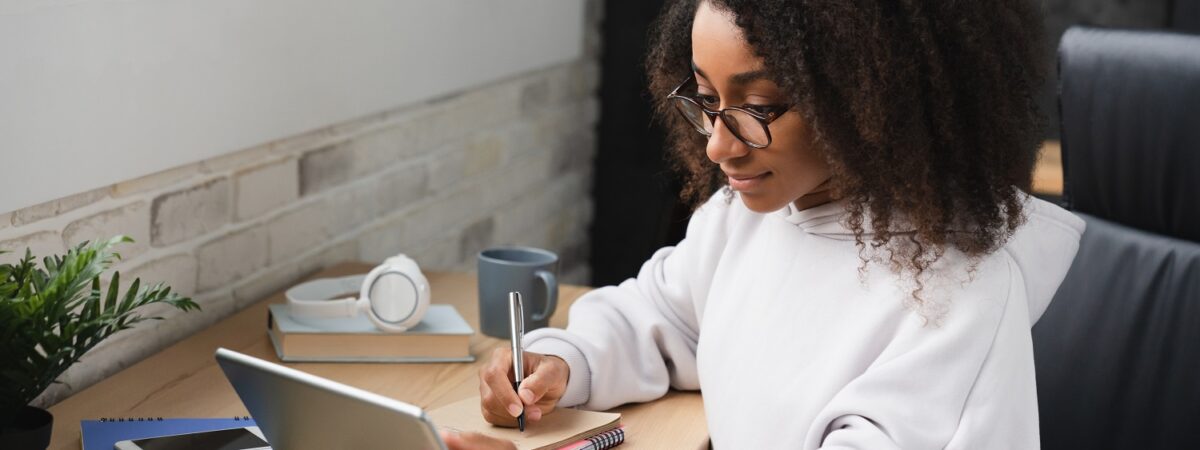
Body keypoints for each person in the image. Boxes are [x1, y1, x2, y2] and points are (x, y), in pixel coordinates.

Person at [444, 0, 1083, 448]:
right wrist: (561, 362)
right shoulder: (745, 219)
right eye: (706, 99)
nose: (719, 147)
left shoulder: (954, 296)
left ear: (870, 101)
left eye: (757, 108)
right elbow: (663, 316)